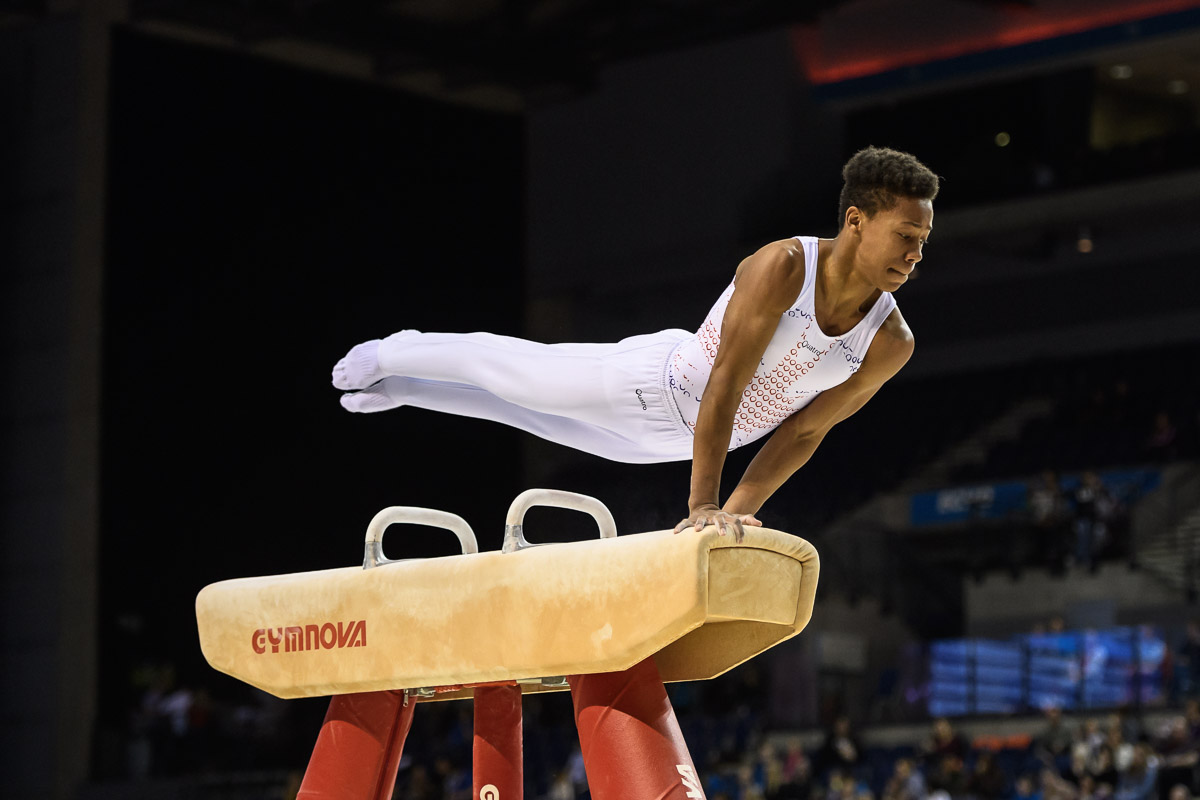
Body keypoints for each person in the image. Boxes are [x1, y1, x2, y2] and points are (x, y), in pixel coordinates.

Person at [332, 147, 938, 536]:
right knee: (512, 373)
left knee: (516, 413)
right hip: (651, 386)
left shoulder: (889, 342)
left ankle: (406, 389)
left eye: (923, 241)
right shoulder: (784, 268)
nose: (914, 254)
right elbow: (724, 387)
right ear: (856, 220)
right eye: (905, 234)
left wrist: (732, 516)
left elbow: (804, 431)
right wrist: (702, 505)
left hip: (673, 445)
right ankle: (396, 350)